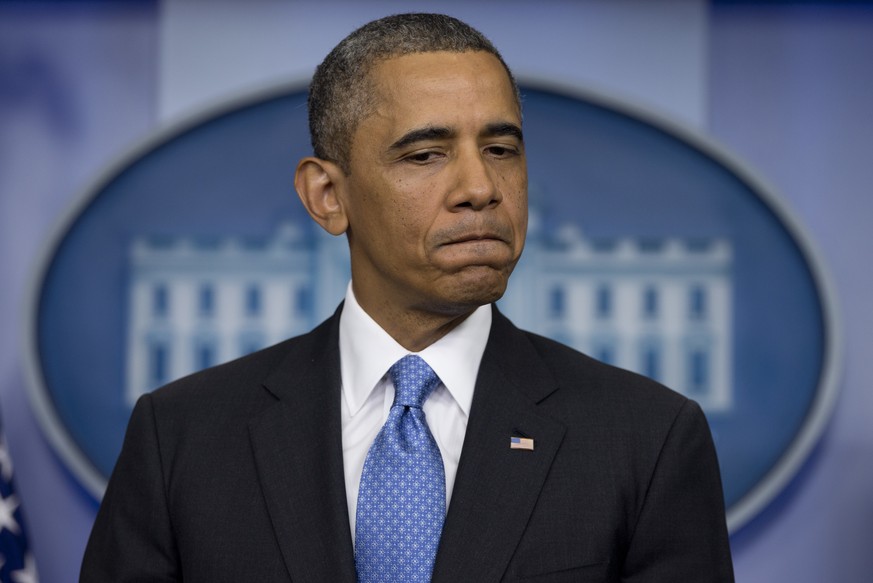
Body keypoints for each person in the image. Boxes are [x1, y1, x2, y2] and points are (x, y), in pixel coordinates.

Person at [80, 13, 734, 582]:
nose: (480, 187)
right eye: (425, 155)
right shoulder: (182, 439)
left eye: (500, 148)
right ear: (327, 197)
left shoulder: (645, 439)